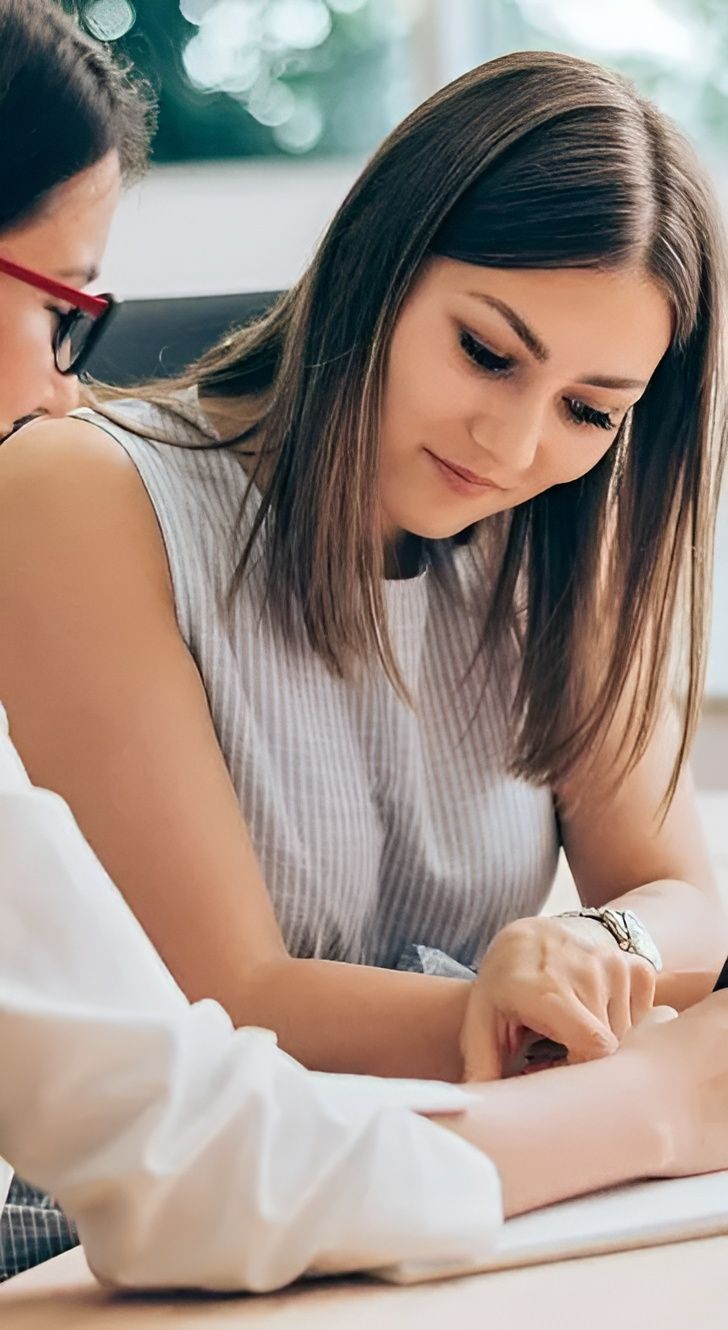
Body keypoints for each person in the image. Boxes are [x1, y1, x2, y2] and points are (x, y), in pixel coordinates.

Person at [4, 0, 728, 1300]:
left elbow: (688, 891)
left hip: (489, 1183)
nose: (514, 447)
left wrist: (593, 946)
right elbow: (214, 997)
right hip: (152, 1227)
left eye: (588, 408)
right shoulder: (76, 489)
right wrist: (513, 1015)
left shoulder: (558, 528)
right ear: (380, 268)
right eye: (485, 352)